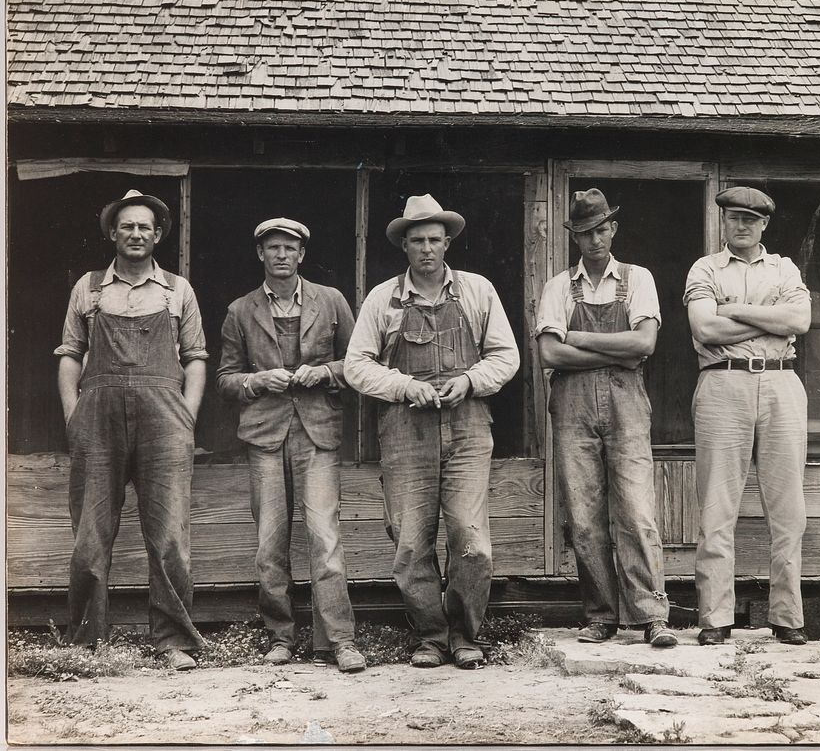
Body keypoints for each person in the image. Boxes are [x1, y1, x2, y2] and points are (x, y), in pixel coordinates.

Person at [345, 194, 519, 669]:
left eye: (435, 240)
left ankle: (465, 634)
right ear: (404, 245)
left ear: (448, 243)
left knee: (472, 539)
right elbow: (356, 366)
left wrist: (469, 381)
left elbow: (507, 356)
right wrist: (404, 387)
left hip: (467, 429)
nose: (426, 249)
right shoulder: (384, 299)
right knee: (409, 541)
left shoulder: (478, 291)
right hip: (407, 433)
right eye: (417, 240)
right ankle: (431, 636)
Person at [56, 189, 207, 670]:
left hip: (164, 420)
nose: (136, 234)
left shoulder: (177, 290)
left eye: (145, 226)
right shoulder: (89, 288)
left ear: (157, 234)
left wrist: (187, 416)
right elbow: (69, 356)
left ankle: (175, 641)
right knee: (90, 536)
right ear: (113, 233)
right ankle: (85, 643)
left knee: (168, 534)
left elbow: (197, 359)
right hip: (97, 420)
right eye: (127, 226)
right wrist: (72, 414)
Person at [217, 218, 366, 673]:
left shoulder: (332, 301)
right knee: (269, 543)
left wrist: (324, 373)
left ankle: (338, 640)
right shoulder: (240, 310)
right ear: (260, 254)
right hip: (265, 435)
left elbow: (359, 363)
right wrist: (256, 380)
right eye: (272, 248)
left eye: (290, 248)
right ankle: (280, 636)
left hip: (317, 432)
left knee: (324, 537)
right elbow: (224, 381)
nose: (281, 255)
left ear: (303, 254)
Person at [535, 188, 674, 648]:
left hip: (626, 404)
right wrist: (614, 351)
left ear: (613, 229)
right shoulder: (558, 286)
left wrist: (577, 338)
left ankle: (652, 615)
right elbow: (549, 353)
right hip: (572, 407)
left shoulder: (638, 279)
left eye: (601, 230)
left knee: (636, 510)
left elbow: (644, 345)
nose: (595, 240)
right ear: (575, 237)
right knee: (584, 514)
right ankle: (601, 615)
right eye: (585, 233)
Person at [683, 186, 811, 646]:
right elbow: (705, 327)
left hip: (781, 382)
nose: (741, 226)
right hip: (723, 382)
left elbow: (799, 322)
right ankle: (716, 618)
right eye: (734, 218)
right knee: (718, 506)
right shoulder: (705, 268)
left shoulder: (784, 268)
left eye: (750, 220)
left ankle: (788, 616)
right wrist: (766, 317)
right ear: (725, 221)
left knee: (788, 508)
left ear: (764, 225)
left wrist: (734, 309)